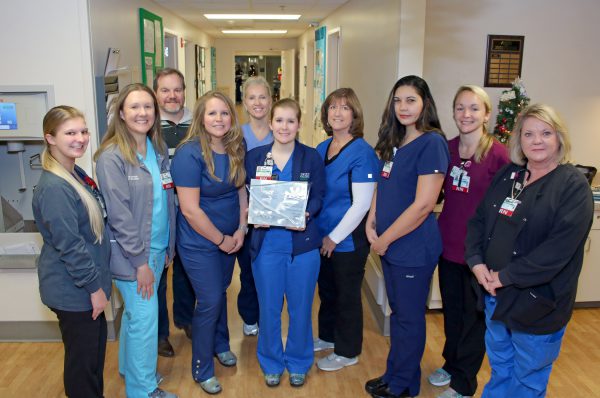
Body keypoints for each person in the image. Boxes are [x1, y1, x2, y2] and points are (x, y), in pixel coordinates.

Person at [465, 103, 594, 398]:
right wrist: (476, 263)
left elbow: (556, 253)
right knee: (500, 368)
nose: (537, 140)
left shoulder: (572, 186)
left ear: (559, 138)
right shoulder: (510, 175)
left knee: (527, 380)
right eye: (529, 134)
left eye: (546, 133)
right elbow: (479, 220)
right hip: (495, 296)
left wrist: (504, 276)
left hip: (537, 304)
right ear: (519, 140)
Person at [364, 75, 450, 398]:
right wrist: (372, 221)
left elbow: (424, 204)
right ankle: (393, 374)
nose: (403, 107)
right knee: (398, 314)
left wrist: (384, 240)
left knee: (410, 319)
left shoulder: (432, 143)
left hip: (412, 248)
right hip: (389, 246)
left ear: (425, 103)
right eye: (398, 100)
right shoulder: (394, 141)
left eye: (411, 100)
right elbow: (382, 186)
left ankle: (404, 386)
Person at [95, 83, 177, 398]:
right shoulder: (112, 157)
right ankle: (142, 390)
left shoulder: (156, 150)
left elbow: (164, 201)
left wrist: (167, 247)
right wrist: (141, 263)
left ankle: (131, 370)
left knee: (134, 316)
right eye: (135, 107)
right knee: (145, 321)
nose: (142, 113)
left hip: (156, 249)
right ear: (121, 113)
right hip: (133, 256)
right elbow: (120, 216)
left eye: (148, 107)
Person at [428, 85, 509, 398]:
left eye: (474, 108)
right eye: (460, 107)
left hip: (479, 254)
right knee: (452, 312)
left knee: (474, 320)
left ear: (486, 114)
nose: (466, 114)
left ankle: (464, 384)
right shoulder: (447, 149)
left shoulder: (497, 155)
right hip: (447, 244)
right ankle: (450, 364)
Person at [170, 91, 247, 395]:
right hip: (200, 242)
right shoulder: (189, 153)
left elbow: (240, 189)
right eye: (212, 113)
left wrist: (241, 228)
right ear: (201, 117)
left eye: (224, 113)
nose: (219, 119)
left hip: (230, 238)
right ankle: (202, 367)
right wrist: (221, 240)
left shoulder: (234, 146)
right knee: (211, 299)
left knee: (221, 292)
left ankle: (221, 344)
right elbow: (190, 209)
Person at [245, 98, 325, 388]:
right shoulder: (254, 157)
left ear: (299, 124)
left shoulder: (311, 157)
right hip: (267, 245)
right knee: (268, 307)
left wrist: (308, 211)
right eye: (279, 120)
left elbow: (319, 195)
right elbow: (249, 195)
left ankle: (299, 361)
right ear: (270, 123)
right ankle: (271, 362)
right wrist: (253, 214)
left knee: (301, 308)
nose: (285, 126)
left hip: (302, 246)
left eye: (291, 121)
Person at [33, 106, 111, 398]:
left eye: (83, 131)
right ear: (50, 138)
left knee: (91, 361)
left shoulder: (74, 173)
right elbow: (71, 246)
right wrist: (95, 288)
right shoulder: (54, 187)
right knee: (82, 368)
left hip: (86, 287)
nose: (80, 138)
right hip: (75, 290)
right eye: (70, 133)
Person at [314, 88, 379, 371]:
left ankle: (347, 350)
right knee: (327, 291)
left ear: (354, 114)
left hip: (347, 239)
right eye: (332, 107)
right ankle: (328, 336)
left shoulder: (362, 153)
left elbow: (362, 204)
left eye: (344, 108)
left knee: (347, 295)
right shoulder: (321, 148)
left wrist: (333, 238)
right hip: (323, 234)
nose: (337, 113)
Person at [153, 68, 195, 357]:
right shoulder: (148, 124)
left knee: (186, 269)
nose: (172, 95)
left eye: (177, 89)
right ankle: (159, 334)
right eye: (165, 90)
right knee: (158, 275)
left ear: (184, 90)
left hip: (191, 210)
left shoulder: (198, 123)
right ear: (156, 93)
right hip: (159, 212)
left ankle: (186, 318)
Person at [237, 75, 274, 337]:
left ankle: (270, 317)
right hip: (245, 215)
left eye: (263, 97)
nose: (257, 102)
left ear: (271, 101)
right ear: (245, 101)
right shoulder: (236, 135)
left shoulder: (281, 130)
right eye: (252, 97)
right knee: (248, 272)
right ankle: (250, 317)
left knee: (272, 273)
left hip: (276, 217)